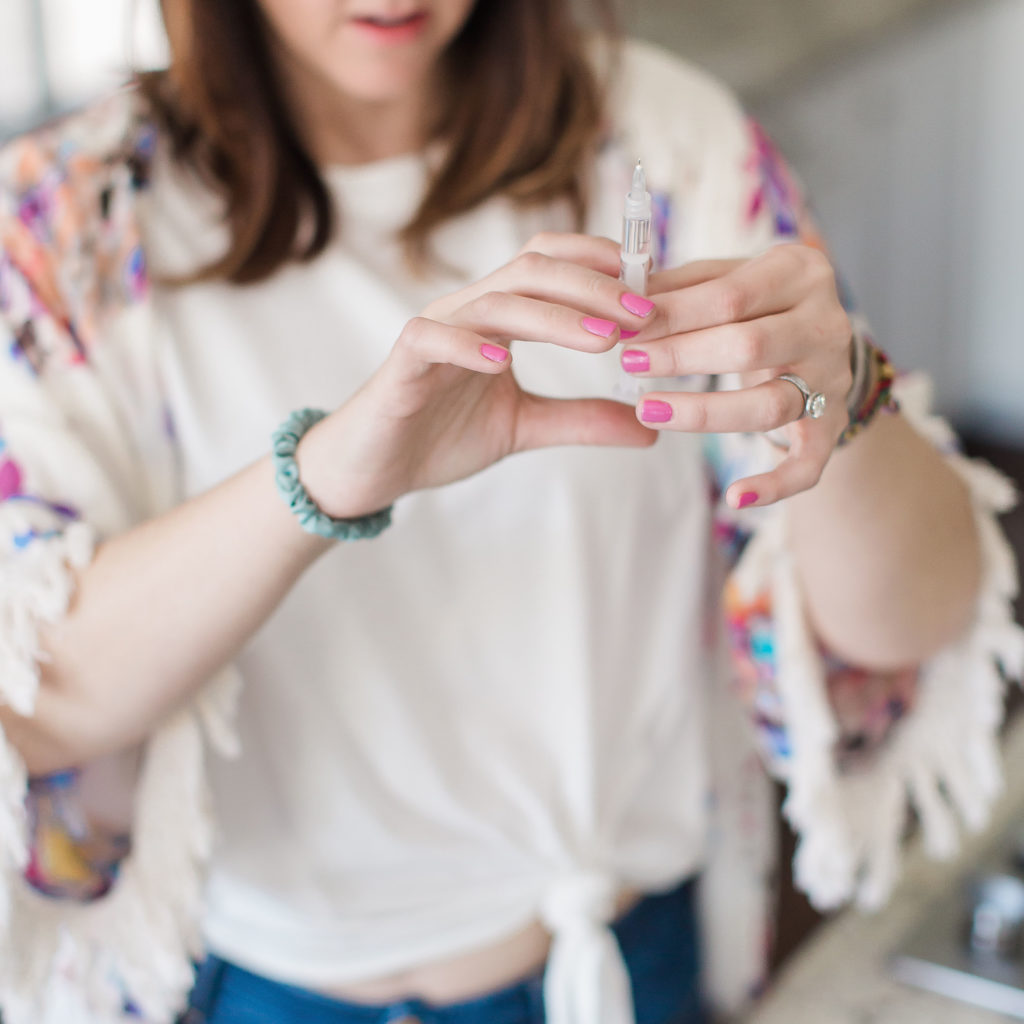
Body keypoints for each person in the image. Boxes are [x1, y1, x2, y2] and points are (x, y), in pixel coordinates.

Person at [0, 1, 1020, 1022]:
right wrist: (320, 482)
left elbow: (914, 620)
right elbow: (33, 705)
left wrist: (847, 387)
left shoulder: (662, 140)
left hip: (638, 960)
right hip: (282, 990)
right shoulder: (75, 221)